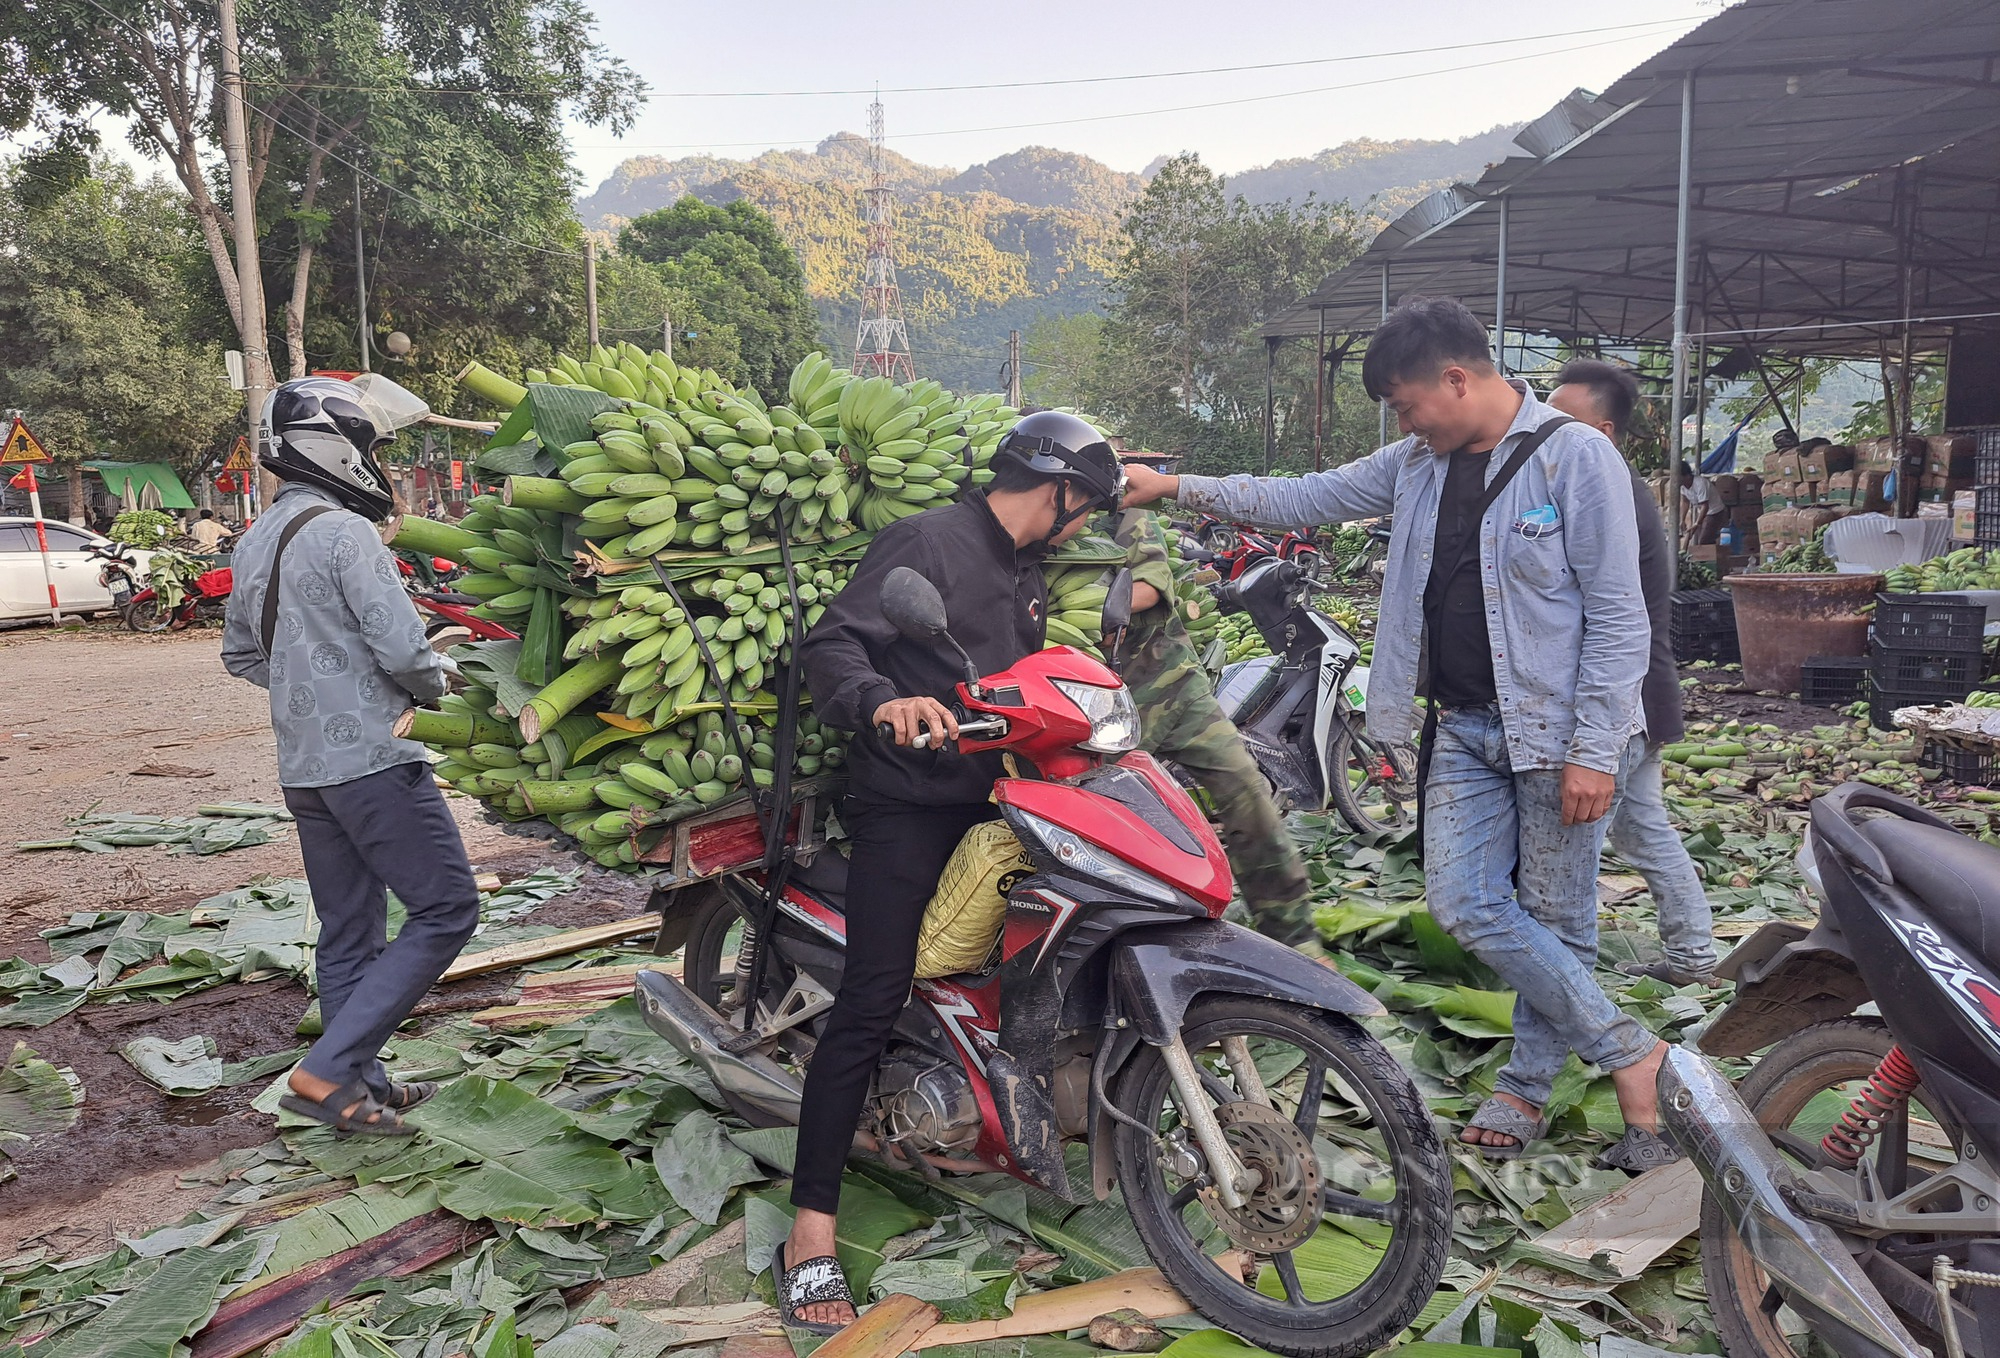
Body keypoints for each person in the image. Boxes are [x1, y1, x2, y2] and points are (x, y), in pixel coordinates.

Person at [1122, 297, 1672, 1170]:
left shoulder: (1576, 461)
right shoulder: (1419, 462)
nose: (1406, 423)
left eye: (1410, 404)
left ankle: (1526, 1090)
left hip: (1560, 732)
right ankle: (1631, 1051)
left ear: (1458, 379)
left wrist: (1596, 751)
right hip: (1460, 725)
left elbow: (1617, 615)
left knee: (1558, 923)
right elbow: (1305, 496)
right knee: (1465, 902)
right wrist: (1180, 487)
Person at [780, 411, 1125, 1332]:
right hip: (909, 801)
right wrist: (885, 703)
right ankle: (809, 1230)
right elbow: (833, 646)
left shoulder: (1026, 573)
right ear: (1056, 490)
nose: (1086, 522)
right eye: (1085, 504)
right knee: (872, 991)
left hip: (999, 795)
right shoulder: (928, 540)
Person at [221, 375, 477, 1138]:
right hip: (372, 758)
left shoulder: (254, 538)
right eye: (373, 449)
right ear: (338, 450)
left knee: (349, 929)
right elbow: (403, 647)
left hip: (305, 768)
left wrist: (310, 684)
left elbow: (241, 655)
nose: (381, 465)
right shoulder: (344, 533)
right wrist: (442, 685)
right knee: (447, 907)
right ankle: (328, 1072)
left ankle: (358, 1085)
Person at [1550, 362, 1718, 987]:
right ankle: (1695, 955)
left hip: (1625, 696)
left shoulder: (1606, 490)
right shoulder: (1601, 483)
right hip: (1642, 690)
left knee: (1596, 838)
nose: (1541, 431)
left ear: (1603, 430)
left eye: (1559, 420)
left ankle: (1577, 975)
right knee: (1641, 828)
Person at [1110, 498, 1314, 944]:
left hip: (1173, 687)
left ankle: (1295, 936)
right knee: (1112, 827)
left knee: (1246, 793)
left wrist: (1080, 610)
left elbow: (1151, 583)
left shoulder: (1121, 511)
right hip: (1095, 706)